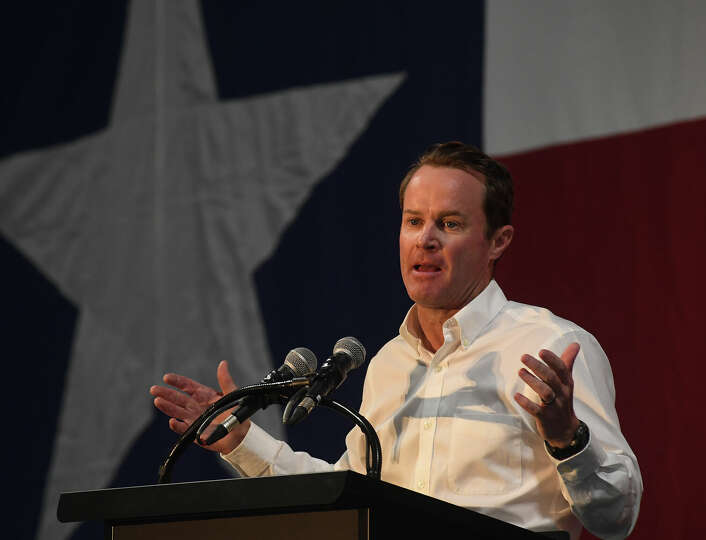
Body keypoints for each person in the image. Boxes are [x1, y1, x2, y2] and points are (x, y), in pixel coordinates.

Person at [151, 142, 642, 539]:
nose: (425, 239)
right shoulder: (391, 363)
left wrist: (566, 439)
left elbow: (616, 516)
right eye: (414, 221)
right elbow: (343, 496)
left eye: (449, 224)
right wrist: (241, 441)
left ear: (498, 242)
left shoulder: (551, 347)